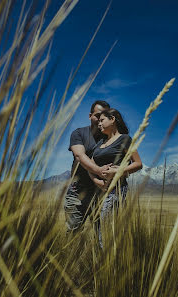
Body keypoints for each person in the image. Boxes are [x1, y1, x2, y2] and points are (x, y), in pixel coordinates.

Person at [89, 108, 143, 247]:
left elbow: (138, 164)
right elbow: (90, 166)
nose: (99, 124)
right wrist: (97, 180)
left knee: (107, 230)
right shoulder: (100, 143)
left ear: (112, 119)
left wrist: (118, 171)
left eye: (102, 120)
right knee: (97, 228)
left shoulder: (124, 139)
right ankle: (99, 263)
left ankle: (109, 263)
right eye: (98, 121)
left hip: (115, 190)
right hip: (97, 192)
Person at [64, 100, 111, 232]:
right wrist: (98, 170)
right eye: (97, 115)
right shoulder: (79, 133)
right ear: (90, 115)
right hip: (77, 192)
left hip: (102, 194)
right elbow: (79, 156)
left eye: (105, 116)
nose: (100, 119)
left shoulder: (111, 138)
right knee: (73, 235)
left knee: (103, 238)